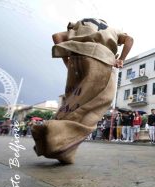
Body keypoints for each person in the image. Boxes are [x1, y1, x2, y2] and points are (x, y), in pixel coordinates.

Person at [32, 18, 133, 164]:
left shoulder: (80, 24)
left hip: (76, 58)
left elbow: (57, 37)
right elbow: (129, 39)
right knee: (99, 101)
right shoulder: (114, 30)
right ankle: (55, 130)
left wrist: (67, 61)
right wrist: (121, 59)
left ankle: (61, 147)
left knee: (74, 101)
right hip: (100, 57)